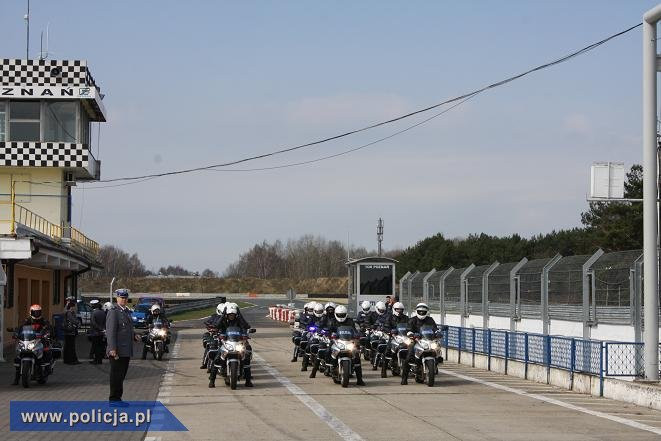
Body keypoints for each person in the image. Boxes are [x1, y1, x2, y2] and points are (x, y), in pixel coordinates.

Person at [106, 289, 141, 405]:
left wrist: (134, 335)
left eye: (125, 298)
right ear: (117, 298)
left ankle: (118, 398)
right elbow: (111, 332)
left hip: (126, 349)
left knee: (121, 375)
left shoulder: (126, 311)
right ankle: (114, 399)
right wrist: (112, 348)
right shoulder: (114, 312)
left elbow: (127, 329)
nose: (123, 300)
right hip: (117, 350)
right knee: (116, 375)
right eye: (121, 298)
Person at [209, 303, 253, 388]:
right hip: (226, 343)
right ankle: (212, 380)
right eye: (230, 314)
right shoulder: (223, 321)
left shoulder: (239, 321)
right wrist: (223, 315)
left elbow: (246, 326)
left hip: (237, 343)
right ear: (227, 314)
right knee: (217, 359)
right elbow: (216, 325)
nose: (231, 316)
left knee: (246, 359)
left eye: (233, 314)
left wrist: (240, 314)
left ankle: (248, 381)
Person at [12, 304, 54, 385]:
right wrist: (16, 333)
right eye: (35, 312)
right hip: (28, 341)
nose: (36, 314)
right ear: (31, 312)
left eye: (38, 312)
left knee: (46, 350)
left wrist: (47, 333)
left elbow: (49, 329)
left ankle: (47, 368)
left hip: (40, 340)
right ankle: (16, 378)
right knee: (18, 356)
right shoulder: (27, 320)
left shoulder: (44, 321)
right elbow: (20, 328)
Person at [325, 305, 365, 386]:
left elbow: (354, 330)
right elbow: (329, 330)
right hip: (336, 341)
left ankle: (359, 379)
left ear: (346, 314)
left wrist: (358, 335)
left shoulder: (350, 321)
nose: (341, 316)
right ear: (336, 314)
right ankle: (329, 367)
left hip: (349, 341)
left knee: (357, 356)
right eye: (339, 315)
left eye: (342, 314)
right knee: (328, 350)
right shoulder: (332, 321)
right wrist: (329, 335)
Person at [401, 303, 438, 385]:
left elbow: (435, 328)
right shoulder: (412, 320)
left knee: (436, 349)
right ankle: (404, 378)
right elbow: (408, 329)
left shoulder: (430, 320)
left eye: (423, 312)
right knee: (409, 356)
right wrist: (411, 333)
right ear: (416, 311)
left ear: (426, 312)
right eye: (420, 311)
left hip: (427, 340)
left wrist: (437, 332)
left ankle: (436, 363)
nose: (421, 313)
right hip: (416, 340)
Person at [63, 297, 81, 365]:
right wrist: (78, 322)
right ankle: (71, 360)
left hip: (67, 331)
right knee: (70, 346)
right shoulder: (69, 313)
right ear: (72, 307)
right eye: (74, 307)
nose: (75, 308)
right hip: (70, 331)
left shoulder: (66, 312)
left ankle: (68, 359)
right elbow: (74, 321)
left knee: (68, 346)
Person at [89, 300, 107, 364]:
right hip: (101, 333)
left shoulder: (93, 313)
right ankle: (100, 360)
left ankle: (96, 360)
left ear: (93, 306)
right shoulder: (102, 312)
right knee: (100, 347)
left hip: (95, 332)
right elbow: (105, 322)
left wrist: (100, 328)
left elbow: (93, 323)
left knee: (96, 347)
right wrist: (103, 329)